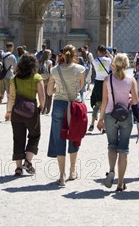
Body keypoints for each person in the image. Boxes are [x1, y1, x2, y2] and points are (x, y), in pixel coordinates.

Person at [97, 54, 138, 192]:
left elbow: (104, 101)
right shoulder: (131, 80)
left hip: (110, 115)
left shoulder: (107, 79)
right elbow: (136, 101)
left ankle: (111, 170)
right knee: (124, 149)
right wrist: (129, 98)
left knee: (112, 145)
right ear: (127, 65)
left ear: (114, 64)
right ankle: (120, 183)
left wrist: (100, 119)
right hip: (126, 116)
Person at [47, 45, 86, 187]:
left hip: (59, 105)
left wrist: (59, 88)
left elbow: (50, 92)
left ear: (62, 54)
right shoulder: (80, 69)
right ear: (75, 54)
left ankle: (62, 175)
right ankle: (72, 171)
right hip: (74, 106)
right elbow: (80, 87)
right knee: (74, 136)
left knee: (59, 138)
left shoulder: (54, 70)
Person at [5, 54, 45, 176]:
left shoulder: (14, 79)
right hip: (31, 112)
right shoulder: (37, 77)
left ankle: (18, 168)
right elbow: (42, 97)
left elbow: (11, 97)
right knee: (35, 135)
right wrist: (40, 108)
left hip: (16, 111)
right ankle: (28, 161)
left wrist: (8, 112)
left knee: (18, 138)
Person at [89, 45, 112, 132]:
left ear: (98, 51)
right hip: (106, 82)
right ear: (105, 52)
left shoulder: (95, 61)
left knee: (96, 105)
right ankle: (104, 127)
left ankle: (92, 123)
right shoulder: (109, 60)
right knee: (105, 105)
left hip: (98, 82)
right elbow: (114, 60)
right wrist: (109, 55)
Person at [0, 42, 17, 120]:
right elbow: (16, 68)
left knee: (0, 96)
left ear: (6, 47)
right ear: (12, 47)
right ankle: (8, 114)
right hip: (8, 77)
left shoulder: (0, 55)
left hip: (0, 78)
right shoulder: (12, 56)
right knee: (10, 97)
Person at [39, 49, 53, 114]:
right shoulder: (49, 62)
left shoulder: (40, 61)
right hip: (47, 79)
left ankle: (43, 109)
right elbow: (51, 72)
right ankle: (48, 110)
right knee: (49, 95)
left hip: (41, 79)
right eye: (50, 54)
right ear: (48, 55)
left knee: (43, 94)